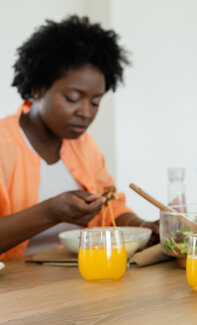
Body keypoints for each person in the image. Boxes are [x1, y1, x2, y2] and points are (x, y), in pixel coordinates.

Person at [0, 15, 158, 259]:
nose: (85, 113)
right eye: (73, 98)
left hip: (80, 280)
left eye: (95, 102)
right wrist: (51, 212)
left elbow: (111, 207)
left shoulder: (83, 146)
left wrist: (142, 227)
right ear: (38, 87)